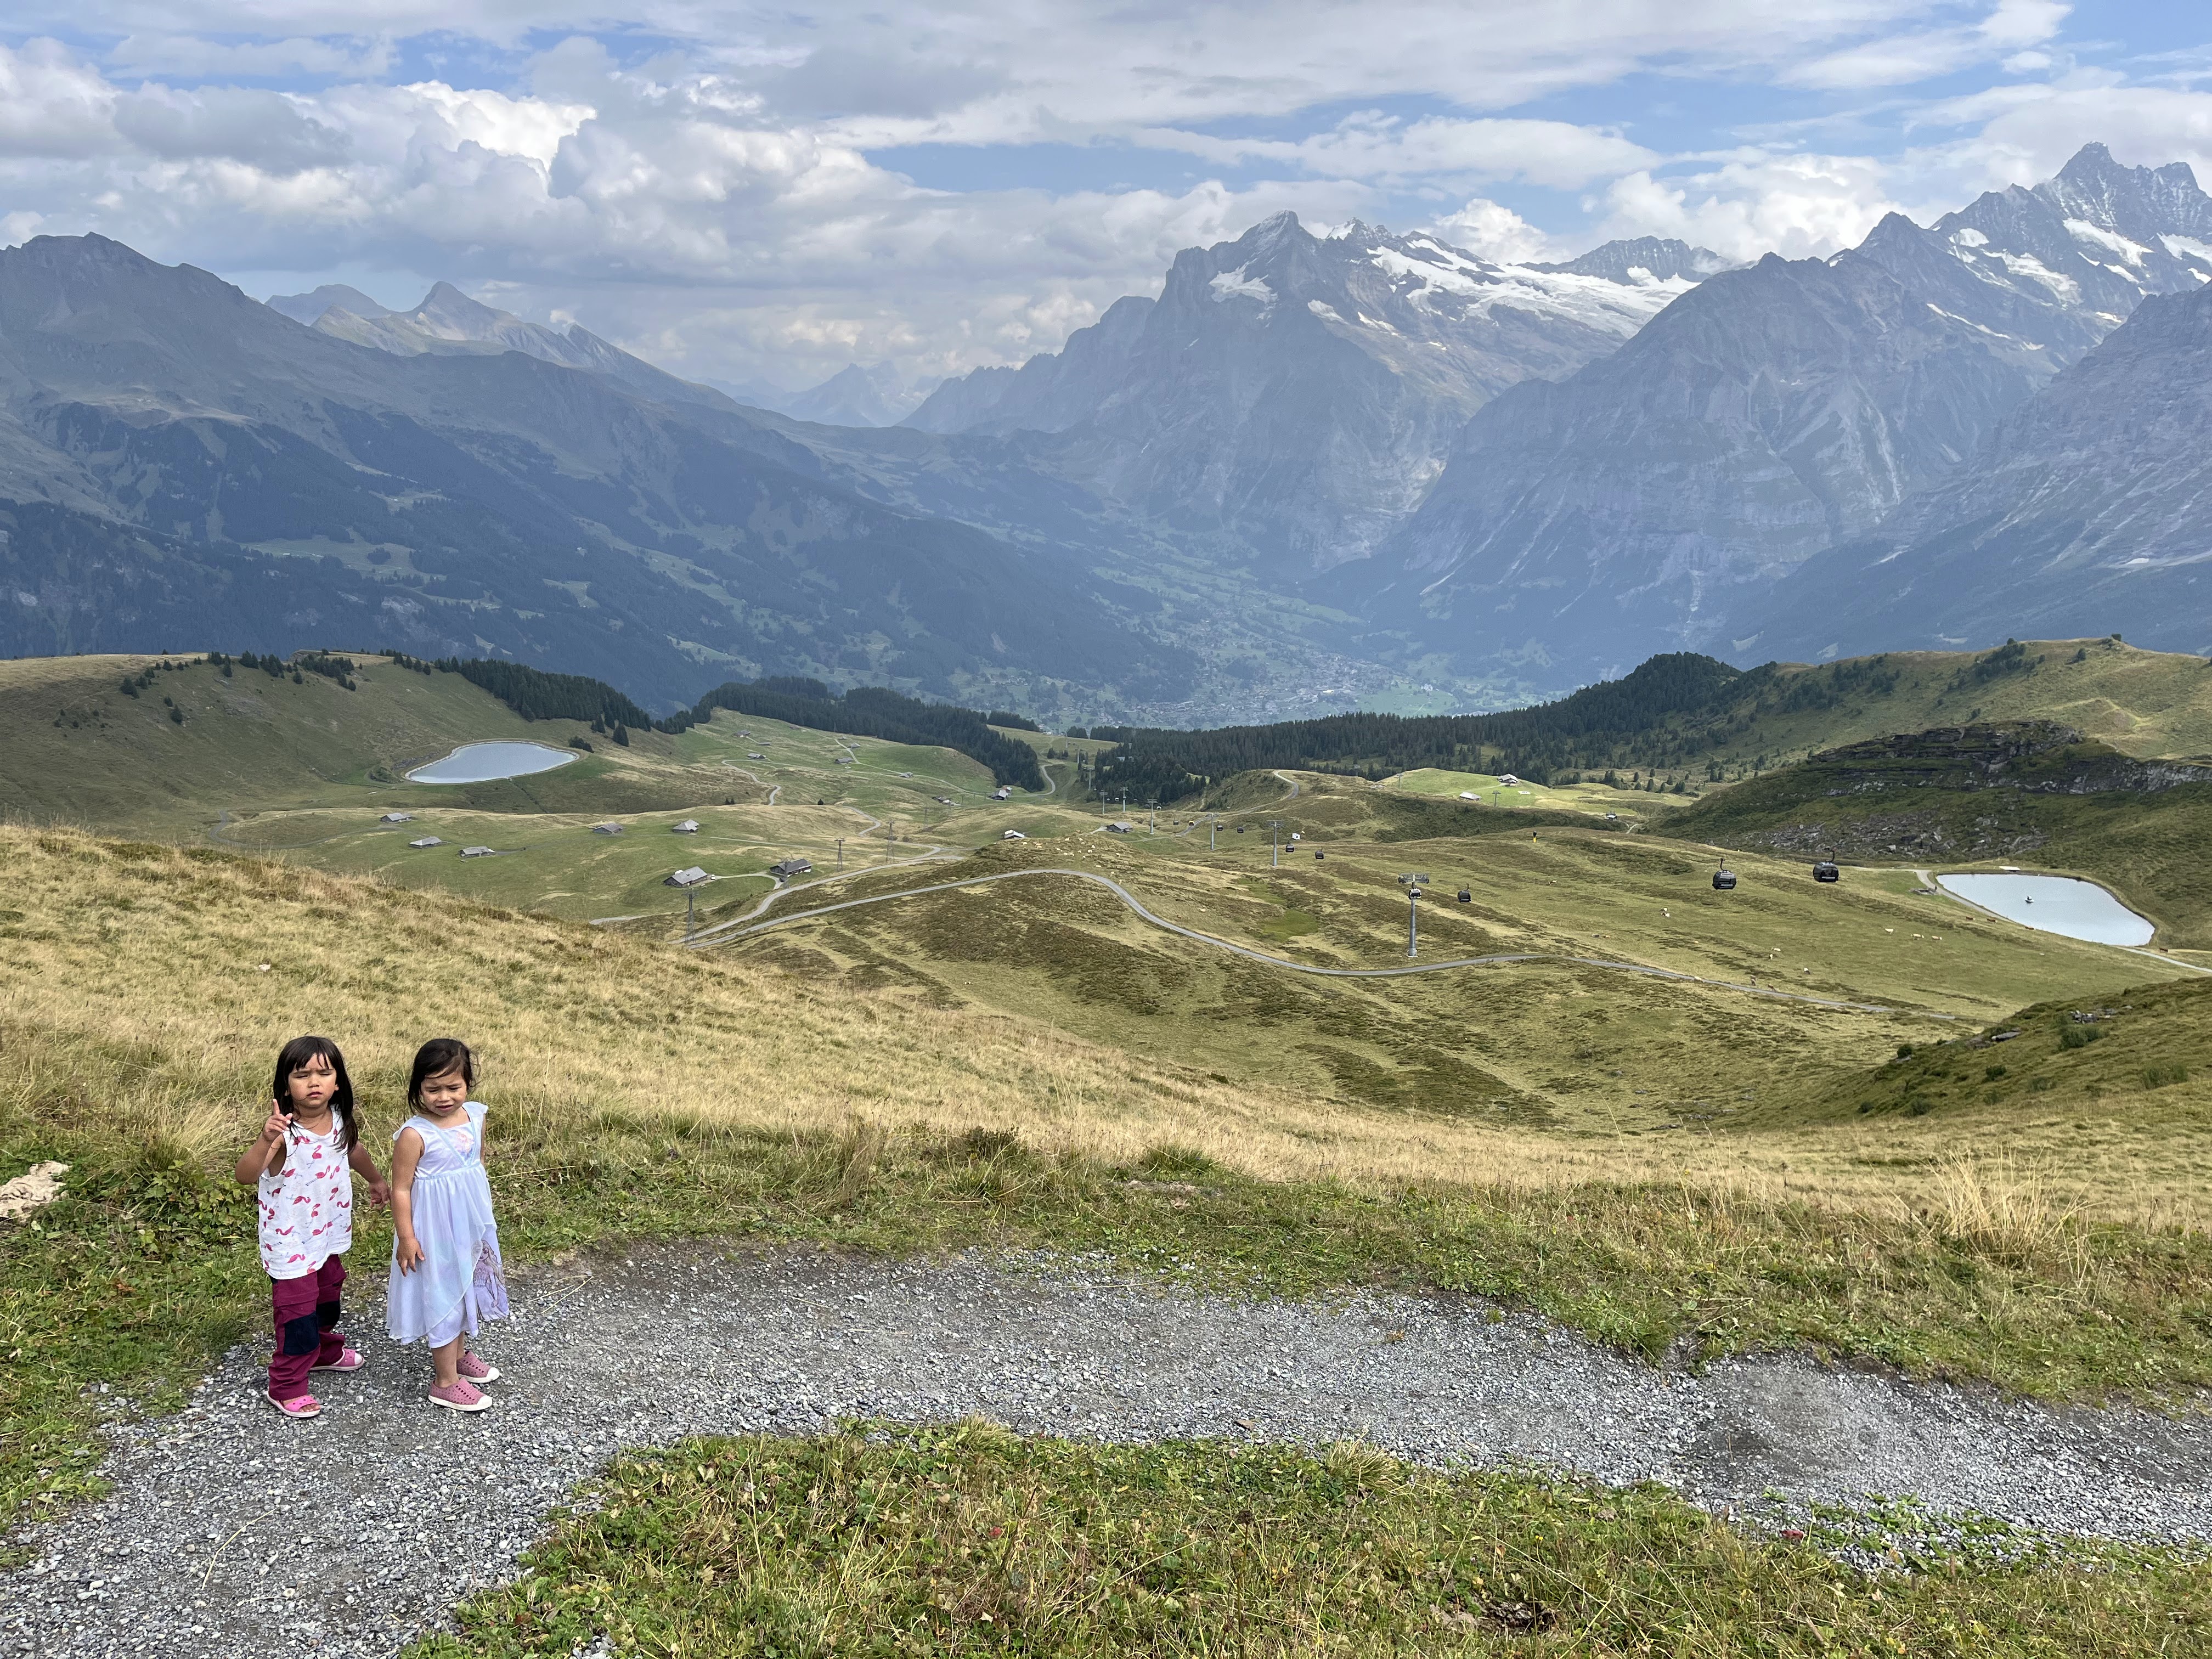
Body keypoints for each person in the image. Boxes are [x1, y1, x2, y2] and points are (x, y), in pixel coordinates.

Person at [235, 1035, 390, 1419]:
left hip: (327, 1233)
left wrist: (375, 1180)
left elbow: (352, 1149)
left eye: (324, 1073)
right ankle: (286, 1384)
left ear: (338, 1083)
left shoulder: (339, 1119)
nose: (314, 1082)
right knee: (298, 1314)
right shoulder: (284, 1135)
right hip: (291, 1243)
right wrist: (265, 1139)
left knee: (327, 1295)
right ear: (286, 1086)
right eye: (302, 1075)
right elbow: (245, 1175)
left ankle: (322, 1352)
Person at [386, 1038, 510, 1412]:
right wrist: (406, 1237)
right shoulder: (414, 1135)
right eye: (433, 1089)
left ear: (468, 1083)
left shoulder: (475, 1117)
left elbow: (476, 1164)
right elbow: (400, 1189)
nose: (444, 1097)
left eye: (453, 1087)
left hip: (469, 1224)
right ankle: (445, 1381)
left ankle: (457, 1356)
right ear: (418, 1089)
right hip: (434, 1230)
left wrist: (479, 1215)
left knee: (466, 1283)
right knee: (442, 1292)